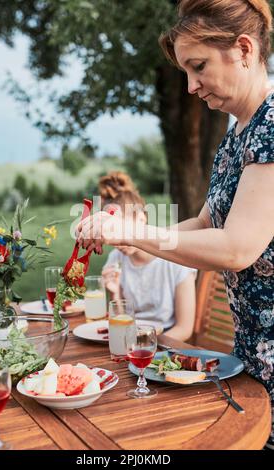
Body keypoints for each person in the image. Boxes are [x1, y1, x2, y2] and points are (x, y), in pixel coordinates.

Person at [76, 0, 274, 449]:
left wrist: (134, 234)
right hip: (251, 354)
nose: (190, 86)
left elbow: (236, 249)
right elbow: (206, 222)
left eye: (197, 66)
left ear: (243, 48)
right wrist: (119, 227)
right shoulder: (238, 132)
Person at [99, 171, 197, 341]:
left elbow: (184, 328)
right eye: (111, 231)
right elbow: (122, 321)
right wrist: (114, 294)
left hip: (165, 341)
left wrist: (146, 344)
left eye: (120, 228)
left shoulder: (175, 260)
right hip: (130, 338)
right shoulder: (116, 258)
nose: (116, 240)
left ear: (141, 220)